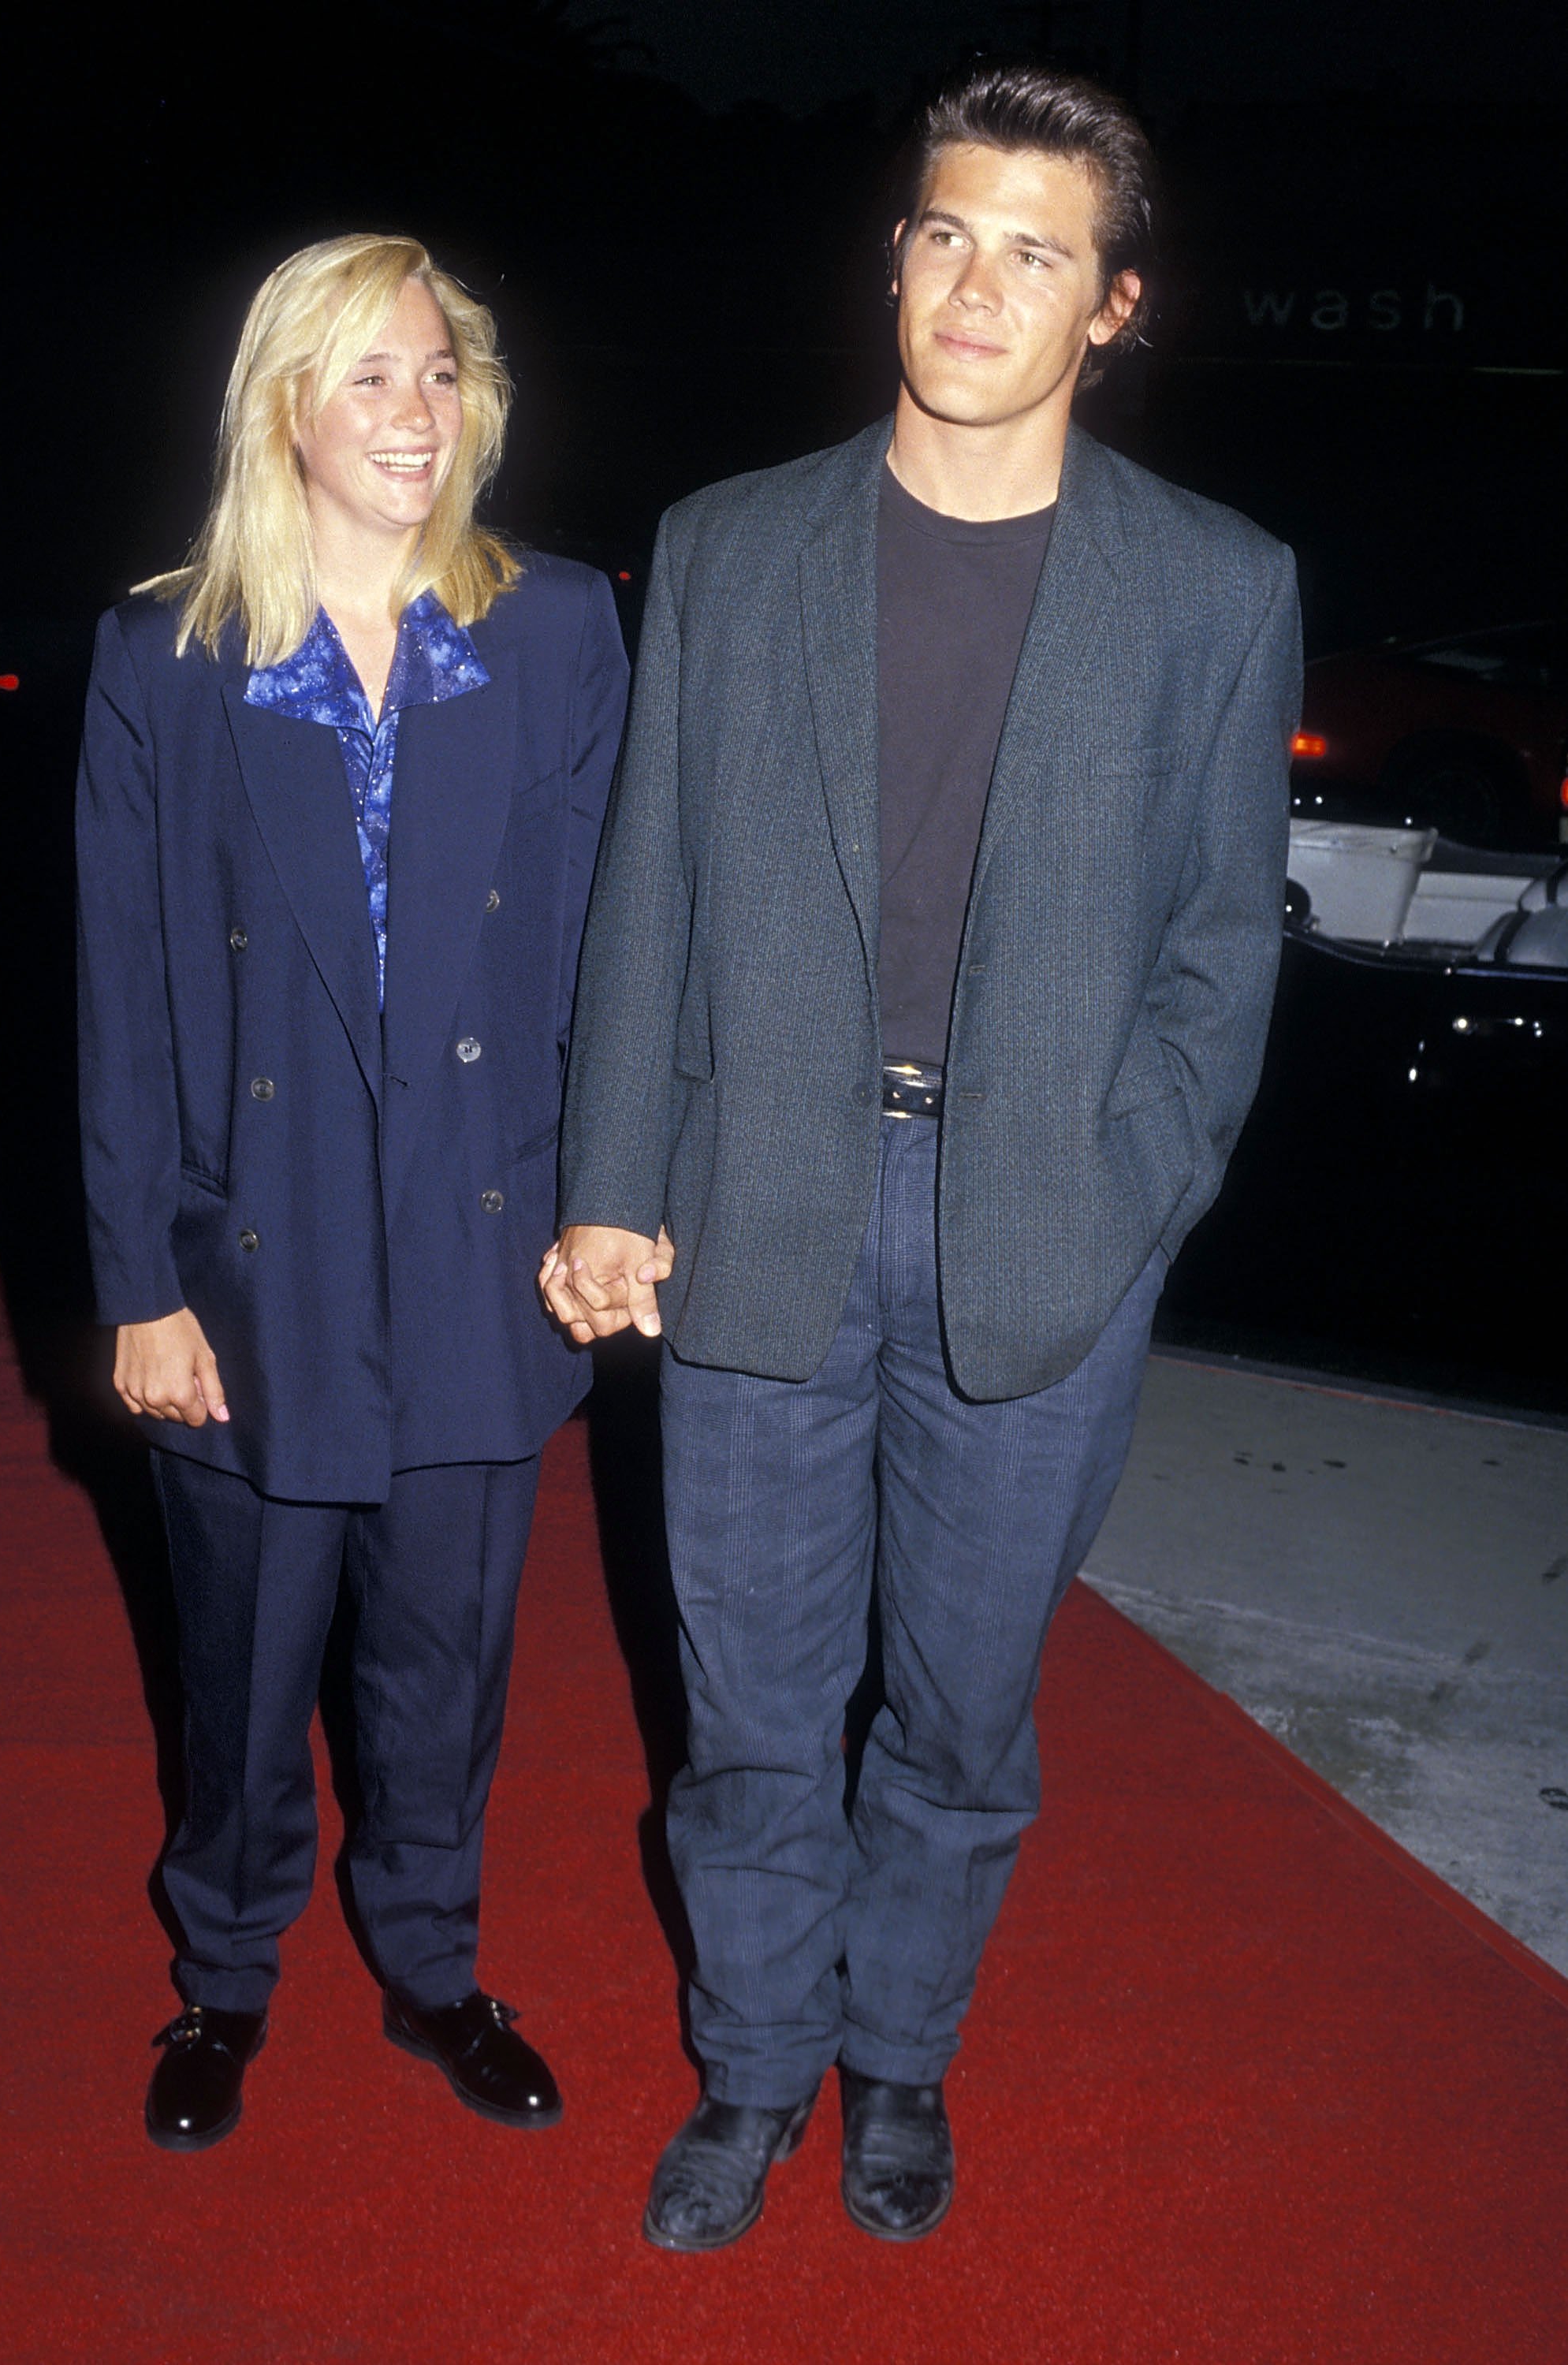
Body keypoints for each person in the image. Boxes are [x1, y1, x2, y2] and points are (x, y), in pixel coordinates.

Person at [542, 62, 1302, 2248]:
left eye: (1034, 252)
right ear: (895, 256)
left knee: (961, 1727)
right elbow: (649, 898)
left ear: (1112, 307)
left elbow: (1212, 955)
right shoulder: (726, 542)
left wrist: (1125, 1194)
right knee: (751, 1713)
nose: (977, 284)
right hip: (758, 1209)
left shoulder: (1212, 588)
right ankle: (755, 2073)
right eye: (945, 232)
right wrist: (609, 1184)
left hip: (1038, 1241)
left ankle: (898, 2066)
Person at [77, 233, 628, 2151]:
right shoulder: (170, 653)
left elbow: (601, 955)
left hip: (485, 1240)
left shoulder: (552, 626)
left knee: (443, 1666)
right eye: (369, 376)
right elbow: (126, 989)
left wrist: (615, 1195)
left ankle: (432, 1968)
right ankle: (223, 1977)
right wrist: (140, 1278)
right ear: (283, 408)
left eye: (440, 372)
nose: (416, 413)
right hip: (260, 1250)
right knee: (241, 1664)